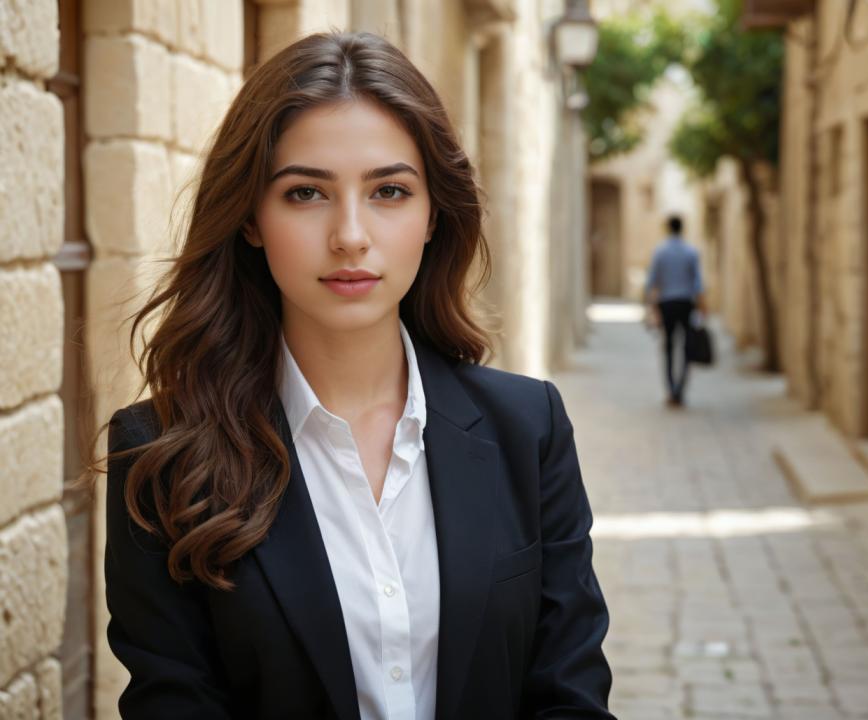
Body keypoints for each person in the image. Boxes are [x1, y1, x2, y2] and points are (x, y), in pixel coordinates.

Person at [97, 32, 613, 720]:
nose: (350, 235)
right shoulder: (160, 452)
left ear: (434, 215)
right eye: (306, 192)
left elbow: (569, 693)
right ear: (251, 217)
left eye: (389, 191)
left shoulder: (528, 428)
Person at [644, 215, 705, 407]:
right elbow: (698, 283)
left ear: (668, 229)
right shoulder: (691, 251)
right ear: (682, 229)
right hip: (686, 303)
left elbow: (652, 281)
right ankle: (680, 389)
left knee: (669, 348)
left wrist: (651, 306)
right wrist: (703, 307)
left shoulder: (660, 252)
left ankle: (671, 390)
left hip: (667, 304)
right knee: (687, 348)